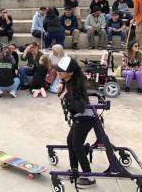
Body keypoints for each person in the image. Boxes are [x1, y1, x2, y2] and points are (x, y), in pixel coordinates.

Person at [56, 56, 96, 188]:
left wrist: (66, 94)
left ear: (71, 72)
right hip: (79, 118)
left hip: (85, 119)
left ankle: (88, 176)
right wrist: (63, 86)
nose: (58, 72)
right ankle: (74, 169)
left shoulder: (76, 85)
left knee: (77, 146)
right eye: (58, 69)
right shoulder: (69, 80)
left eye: (61, 71)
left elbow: (80, 106)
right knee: (70, 141)